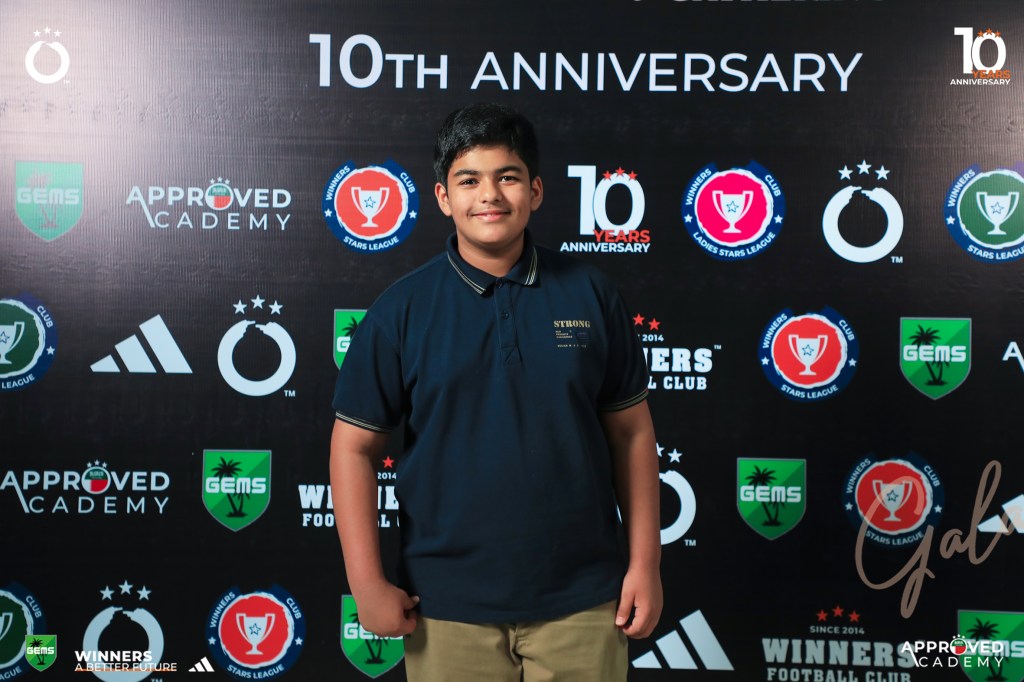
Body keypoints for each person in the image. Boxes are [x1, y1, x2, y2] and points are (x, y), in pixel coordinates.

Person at [330, 102, 662, 682]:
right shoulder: (401, 311)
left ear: (535, 191)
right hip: (445, 605)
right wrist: (366, 583)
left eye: (507, 177)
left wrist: (646, 564)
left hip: (584, 601)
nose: (489, 195)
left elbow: (632, 434)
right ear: (442, 197)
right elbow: (352, 447)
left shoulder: (592, 295)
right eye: (469, 180)